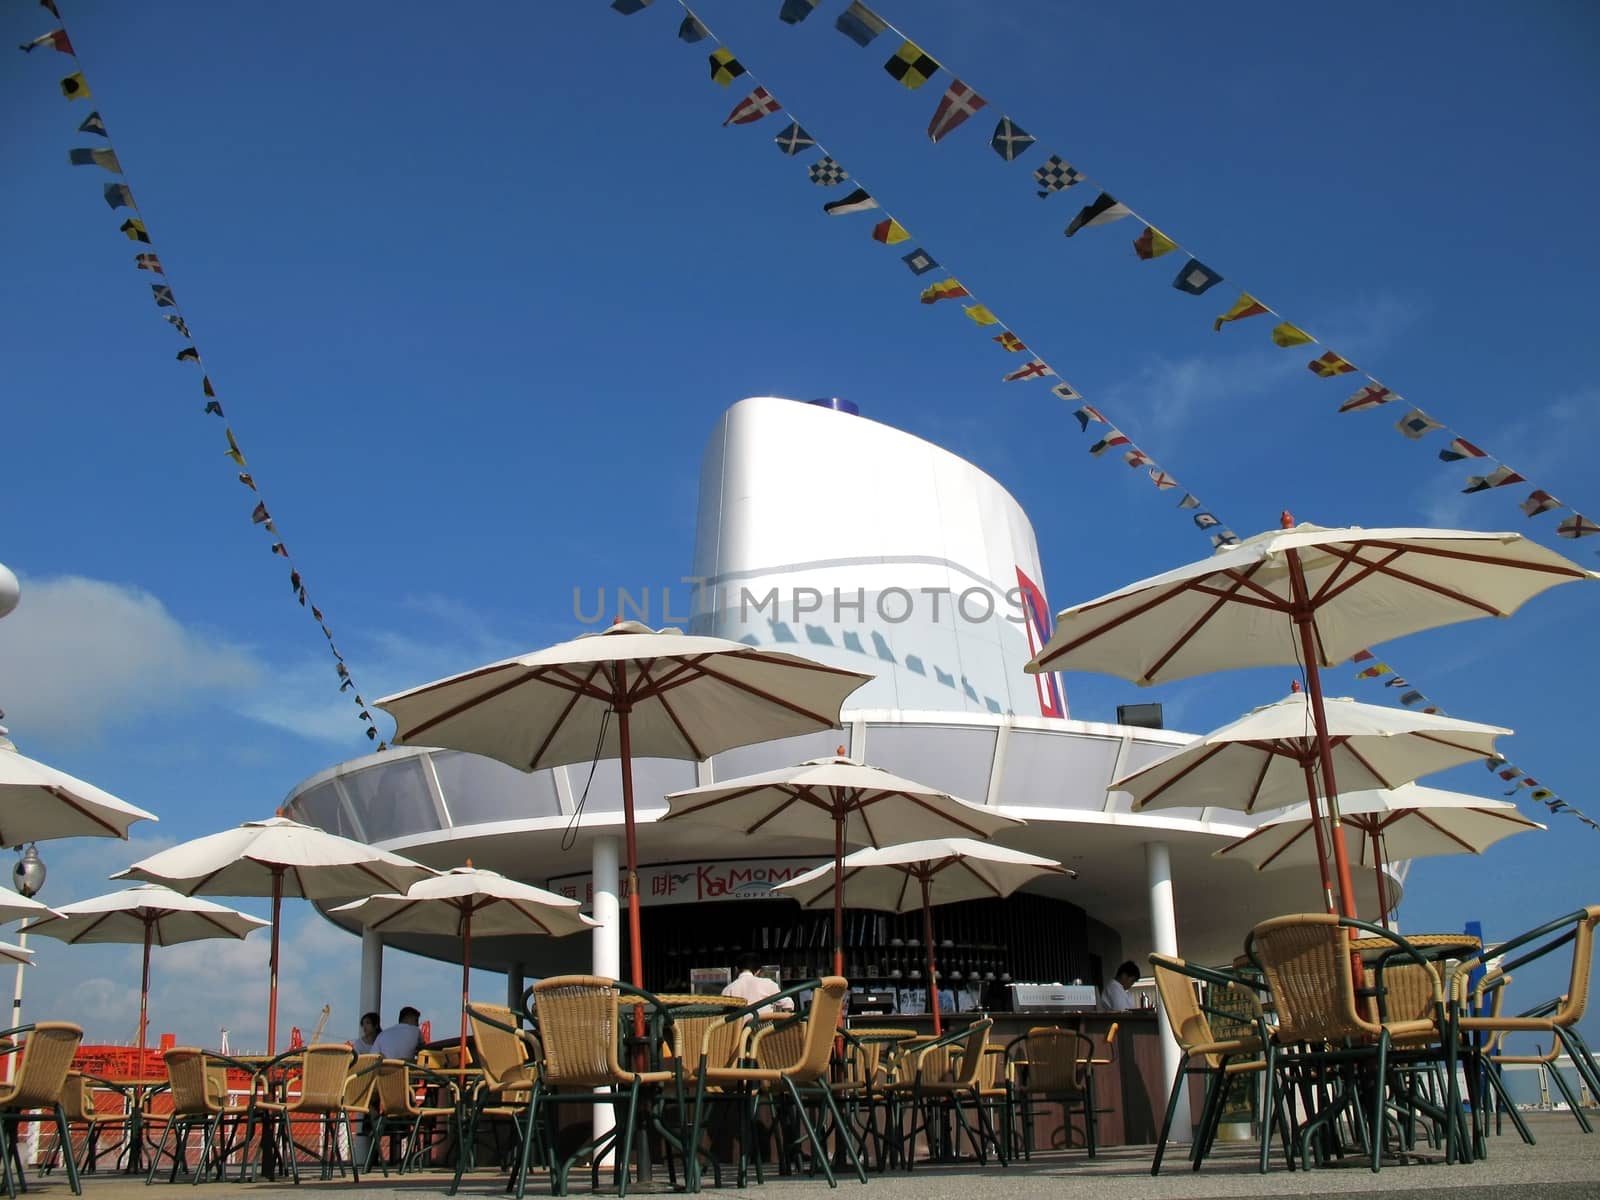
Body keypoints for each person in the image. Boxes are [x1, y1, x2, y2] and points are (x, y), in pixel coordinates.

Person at [722, 952, 793, 1014]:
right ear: (758, 971)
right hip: (764, 1027)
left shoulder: (727, 989)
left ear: (736, 969)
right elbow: (788, 1004)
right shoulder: (768, 983)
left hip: (738, 1028)